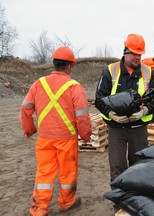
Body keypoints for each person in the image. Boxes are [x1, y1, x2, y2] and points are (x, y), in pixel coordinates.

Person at [20, 46, 92, 215]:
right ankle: (67, 203)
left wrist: (29, 129)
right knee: (68, 173)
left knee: (44, 173)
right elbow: (82, 117)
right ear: (69, 66)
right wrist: (86, 136)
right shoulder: (74, 87)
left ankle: (39, 208)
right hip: (66, 140)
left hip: (45, 138)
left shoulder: (39, 83)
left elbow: (25, 109)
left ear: (54, 64)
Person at [95, 34, 154, 187]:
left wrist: (145, 110)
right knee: (117, 166)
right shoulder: (110, 71)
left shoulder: (148, 72)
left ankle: (135, 200)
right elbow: (99, 99)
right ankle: (119, 204)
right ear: (125, 51)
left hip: (138, 128)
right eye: (134, 53)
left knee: (138, 166)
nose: (137, 57)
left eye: (139, 54)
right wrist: (111, 114)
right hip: (116, 129)